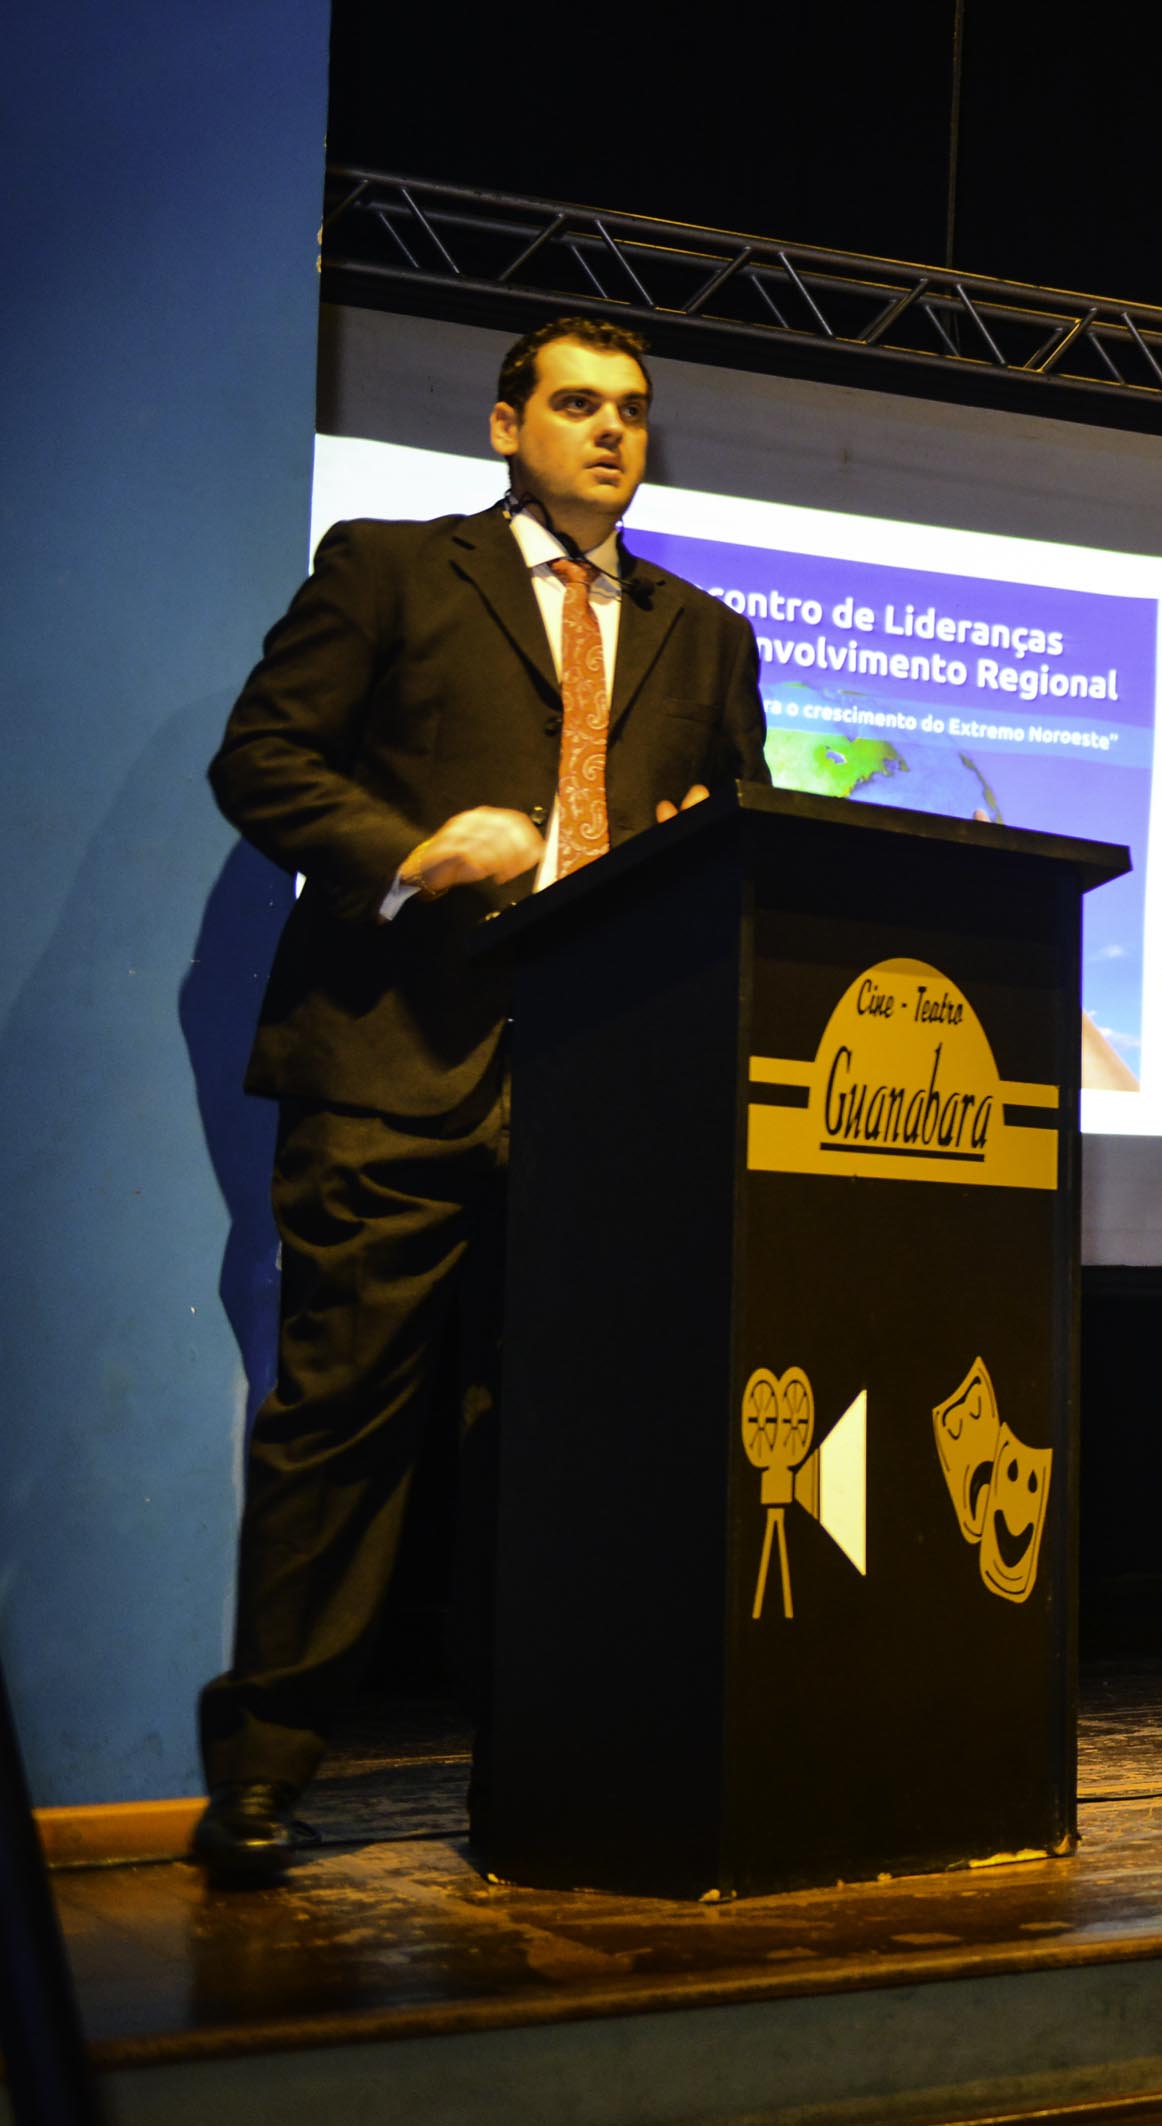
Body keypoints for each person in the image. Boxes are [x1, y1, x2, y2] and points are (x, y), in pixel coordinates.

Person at [191, 317, 766, 1882]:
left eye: (633, 409)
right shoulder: (390, 568)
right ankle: (262, 1770)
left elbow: (738, 828)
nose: (611, 430)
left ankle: (543, 1768)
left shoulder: (706, 634)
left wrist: (706, 842)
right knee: (342, 1422)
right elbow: (261, 760)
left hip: (605, 1090)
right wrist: (404, 851)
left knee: (559, 1444)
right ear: (508, 423)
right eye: (578, 404)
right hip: (392, 1065)